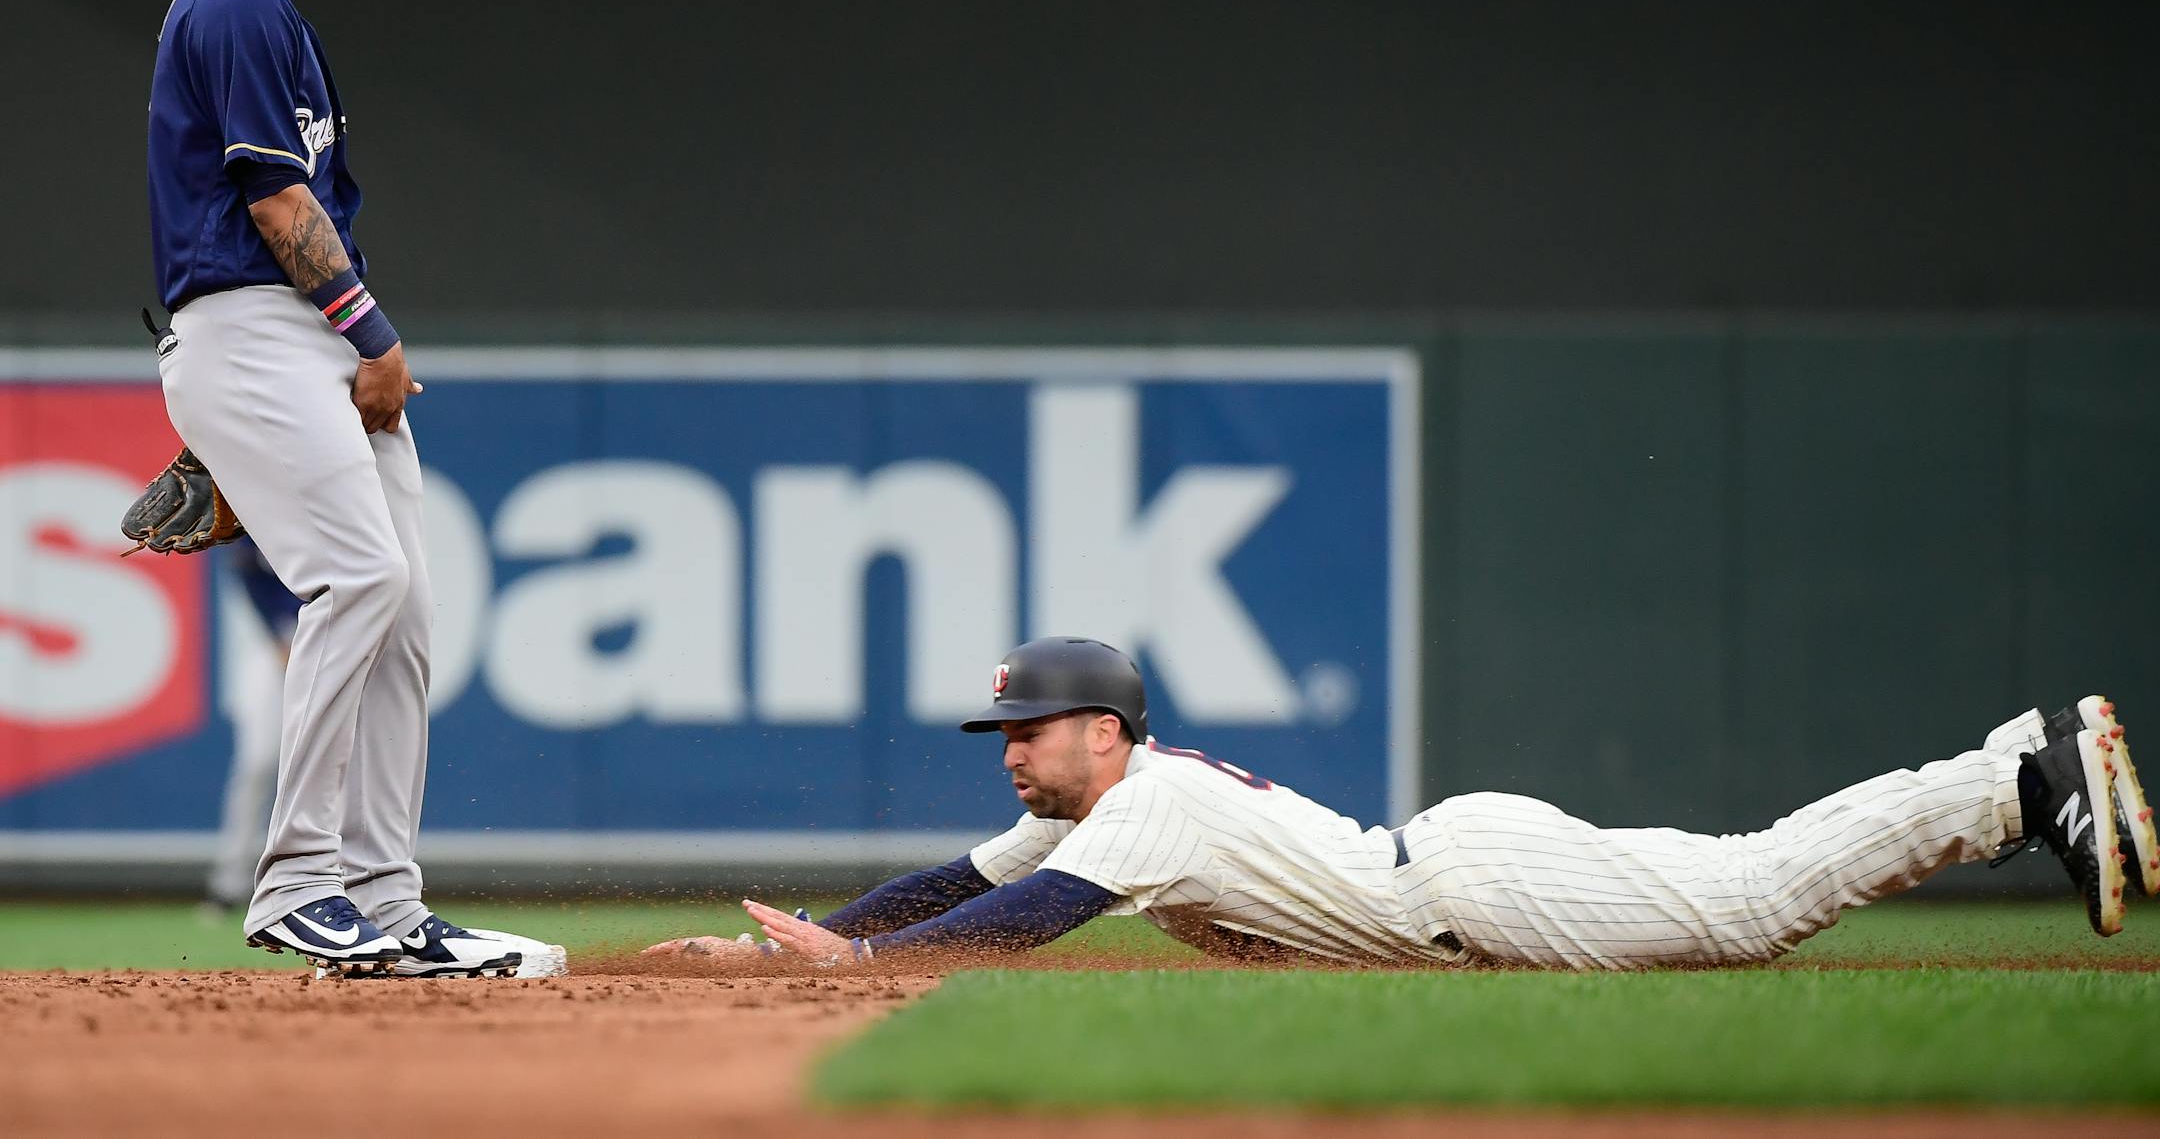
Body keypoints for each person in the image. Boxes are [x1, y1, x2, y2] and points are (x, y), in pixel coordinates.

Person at [647, 636, 2156, 971]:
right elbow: (956, 879)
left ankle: (2015, 784)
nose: (1005, 752)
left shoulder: (1142, 809)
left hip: (1472, 893)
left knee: (1757, 901)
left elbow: (1023, 919)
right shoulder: (1102, 802)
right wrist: (818, 943)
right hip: (1464, 871)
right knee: (1750, 885)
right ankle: (2010, 778)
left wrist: (864, 971)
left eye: (1024, 730)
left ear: (1102, 732)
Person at [146, 0, 561, 978]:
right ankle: (298, 881)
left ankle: (383, 897)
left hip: (306, 340)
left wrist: (353, 345)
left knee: (409, 610)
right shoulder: (230, 4)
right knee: (359, 573)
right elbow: (277, 203)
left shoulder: (271, 18)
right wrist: (370, 335)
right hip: (253, 325)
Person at [200, 538, 299, 916]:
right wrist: (277, 639)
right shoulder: (264, 507)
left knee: (343, 767)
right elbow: (245, 567)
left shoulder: (339, 498)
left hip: (333, 638)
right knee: (257, 764)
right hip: (273, 643)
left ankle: (345, 882)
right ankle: (229, 884)